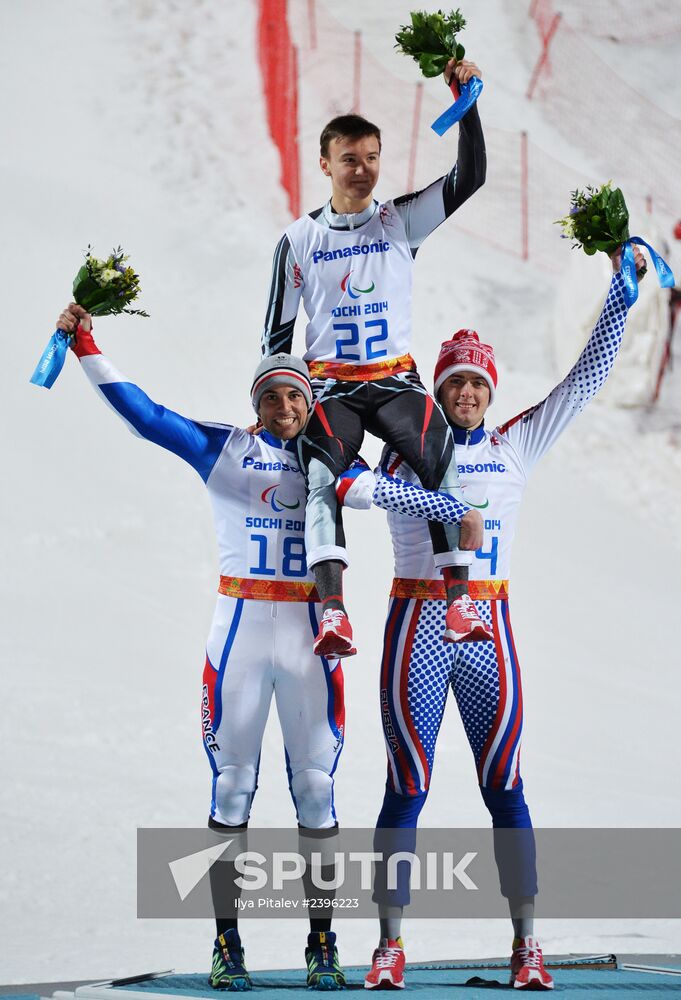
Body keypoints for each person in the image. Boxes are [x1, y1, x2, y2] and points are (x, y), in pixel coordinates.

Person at [360, 247, 647, 991]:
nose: (465, 392)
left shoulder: (514, 444)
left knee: (505, 787)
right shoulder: (402, 451)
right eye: (453, 380)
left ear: (488, 393)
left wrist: (619, 296)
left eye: (475, 383)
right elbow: (348, 472)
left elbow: (583, 380)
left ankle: (526, 944)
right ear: (438, 389)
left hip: (489, 629)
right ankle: (387, 946)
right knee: (407, 785)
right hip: (417, 626)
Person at [55, 304, 349, 992]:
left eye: (294, 394)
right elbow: (148, 417)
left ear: (310, 404)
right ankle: (226, 943)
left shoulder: (335, 460)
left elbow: (397, 483)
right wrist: (87, 346)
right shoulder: (227, 449)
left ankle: (323, 944)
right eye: (270, 394)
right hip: (241, 631)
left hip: (310, 640)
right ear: (256, 404)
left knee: (314, 791)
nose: (282, 405)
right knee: (233, 787)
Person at [262, 57, 488, 659]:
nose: (362, 171)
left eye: (371, 158)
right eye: (349, 160)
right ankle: (333, 613)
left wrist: (468, 105)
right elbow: (276, 341)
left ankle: (459, 601)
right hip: (331, 387)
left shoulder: (399, 219)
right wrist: (277, 408)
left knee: (439, 457)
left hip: (395, 382)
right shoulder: (298, 241)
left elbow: (471, 177)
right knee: (319, 479)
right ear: (325, 165)